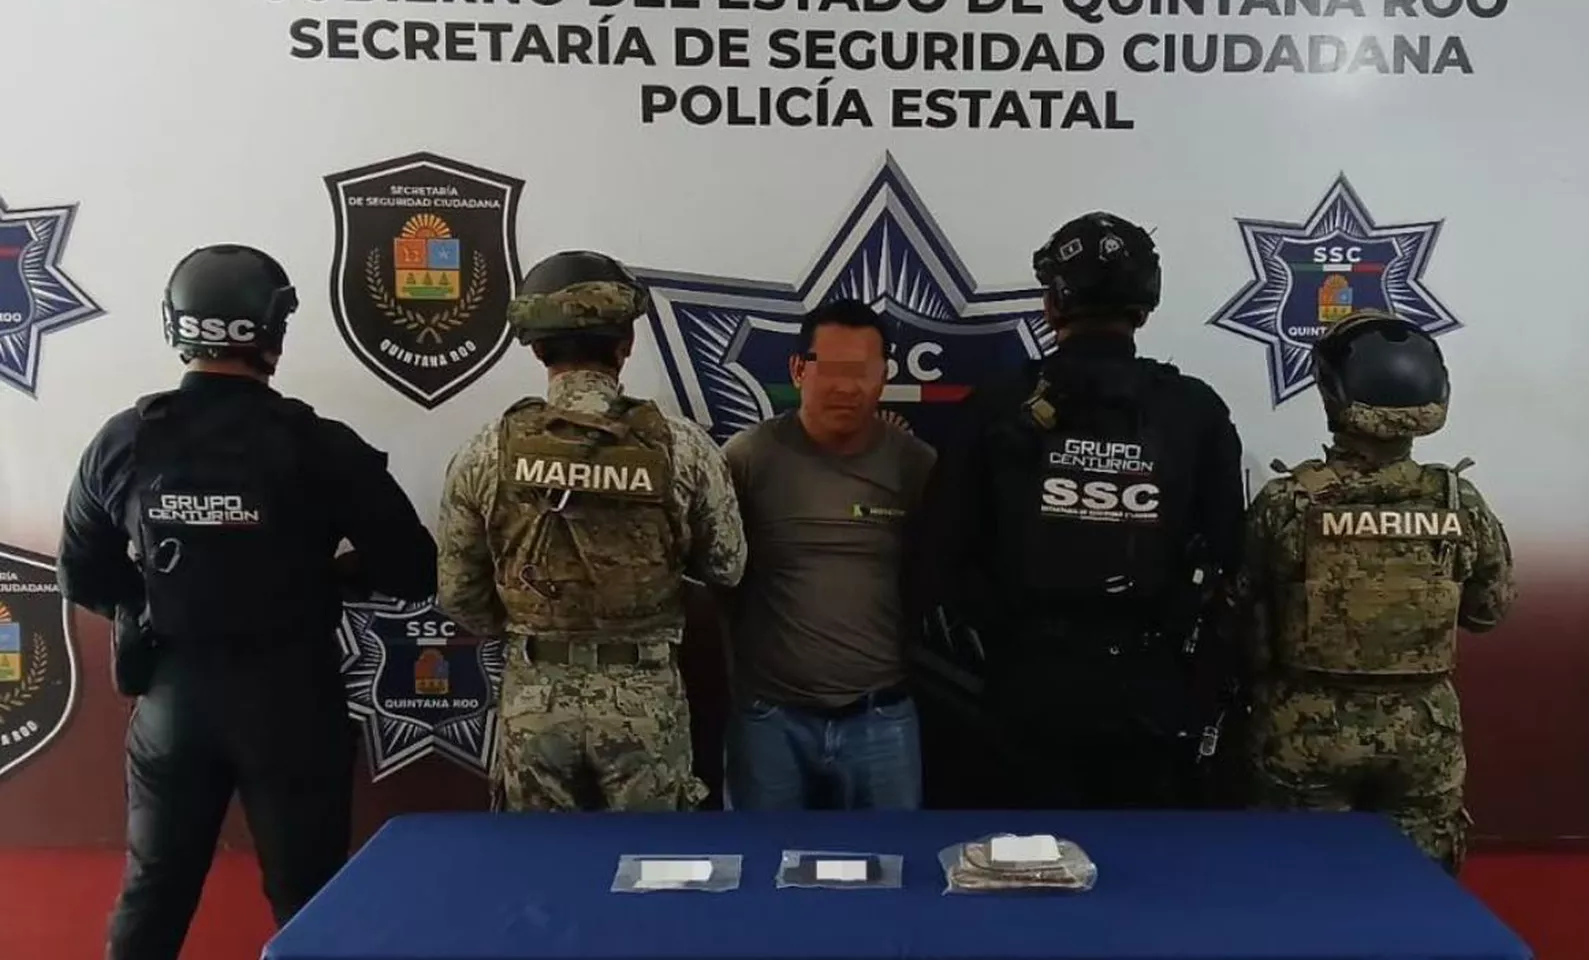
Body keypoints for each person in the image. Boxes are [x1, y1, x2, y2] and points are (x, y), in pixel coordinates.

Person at [57, 244, 437, 960]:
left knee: (153, 895)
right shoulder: (320, 445)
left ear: (177, 325)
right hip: (293, 702)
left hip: (173, 702)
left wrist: (155, 603)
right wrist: (323, 581)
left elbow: (82, 576)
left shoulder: (126, 439)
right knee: (312, 902)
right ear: (273, 332)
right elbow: (413, 572)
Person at [916, 212, 1246, 810]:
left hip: (1027, 683)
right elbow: (1227, 551)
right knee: (1144, 875)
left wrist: (1007, 633)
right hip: (1151, 685)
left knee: (1024, 872)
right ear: (1146, 306)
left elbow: (941, 551)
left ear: (1051, 303)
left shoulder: (995, 406)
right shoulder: (1195, 410)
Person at [436, 249, 745, 812]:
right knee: (650, 875)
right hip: (644, 696)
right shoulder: (684, 448)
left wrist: (532, 620)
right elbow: (727, 565)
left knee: (539, 881)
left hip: (534, 694)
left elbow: (459, 593)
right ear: (625, 345)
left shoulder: (487, 451)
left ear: (536, 346)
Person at [1235, 309, 1514, 874]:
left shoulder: (1289, 503)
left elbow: (1242, 610)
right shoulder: (1458, 504)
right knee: (1417, 896)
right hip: (1422, 734)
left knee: (1301, 887)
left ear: (1334, 396)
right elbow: (1489, 611)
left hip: (1305, 729)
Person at [719, 298, 936, 811]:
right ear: (798, 369)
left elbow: (935, 574)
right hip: (769, 721)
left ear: (884, 376)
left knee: (895, 875)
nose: (846, 386)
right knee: (759, 874)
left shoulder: (916, 465)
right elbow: (713, 580)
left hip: (882, 718)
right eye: (831, 369)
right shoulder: (747, 459)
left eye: (862, 371)